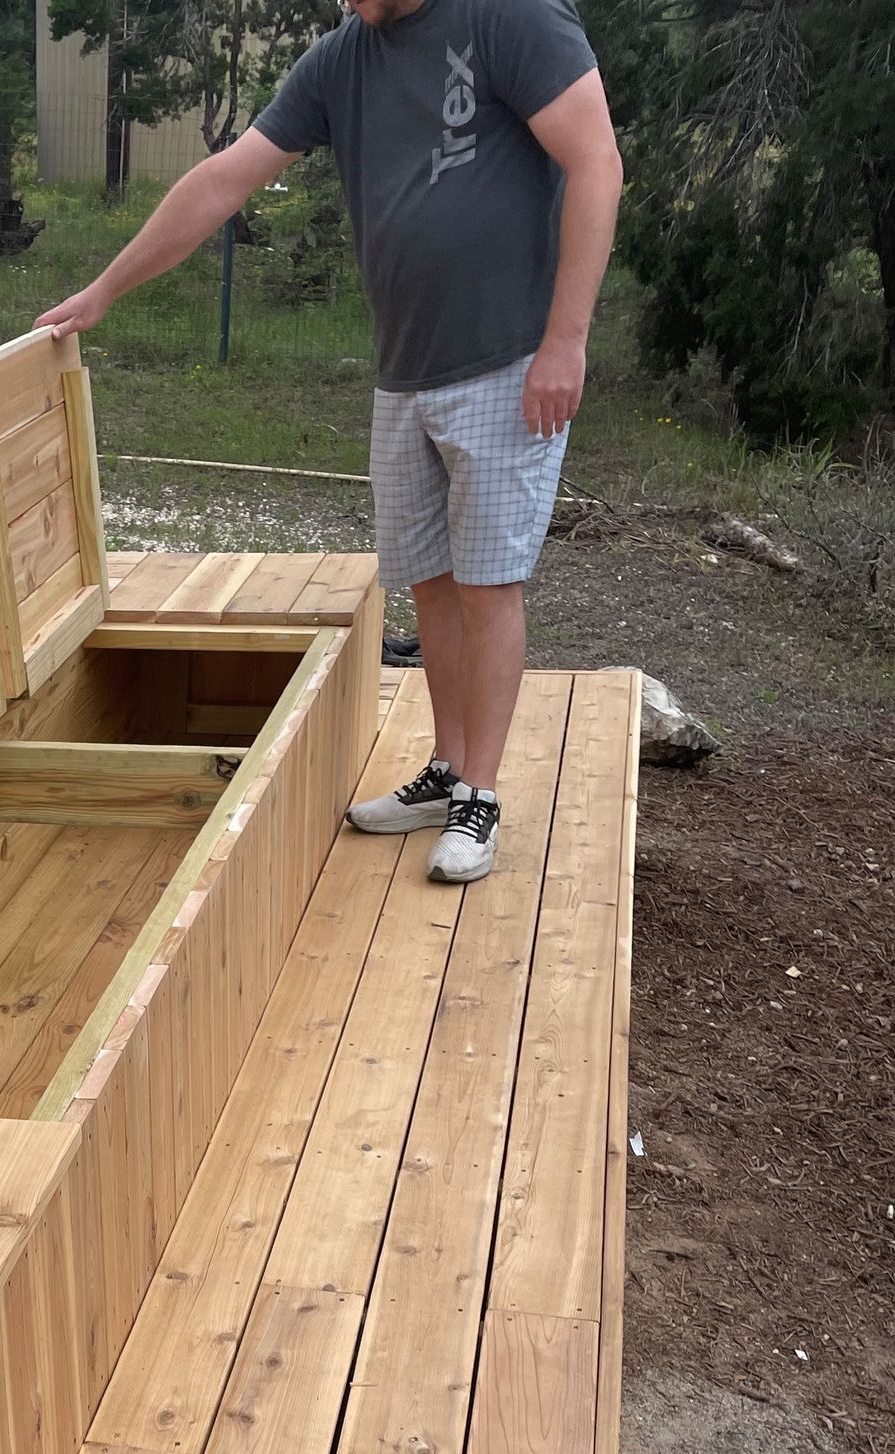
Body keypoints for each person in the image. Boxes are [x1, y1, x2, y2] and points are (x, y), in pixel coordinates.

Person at [38, 0, 622, 885]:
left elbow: (597, 163)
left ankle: (483, 796)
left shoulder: (510, 17)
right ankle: (449, 770)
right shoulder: (341, 59)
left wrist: (566, 340)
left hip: (508, 364)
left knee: (488, 585)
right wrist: (104, 291)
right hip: (405, 373)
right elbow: (223, 180)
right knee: (427, 579)